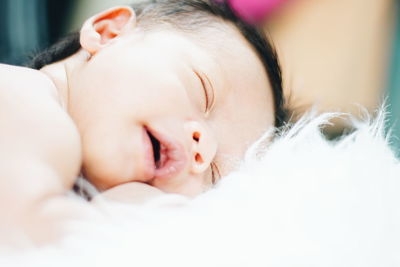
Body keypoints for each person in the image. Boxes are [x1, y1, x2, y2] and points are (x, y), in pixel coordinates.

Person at [0, 0, 285, 245]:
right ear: (108, 32)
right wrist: (120, 210)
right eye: (203, 91)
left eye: (214, 172)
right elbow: (25, 234)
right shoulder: (28, 99)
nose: (204, 148)